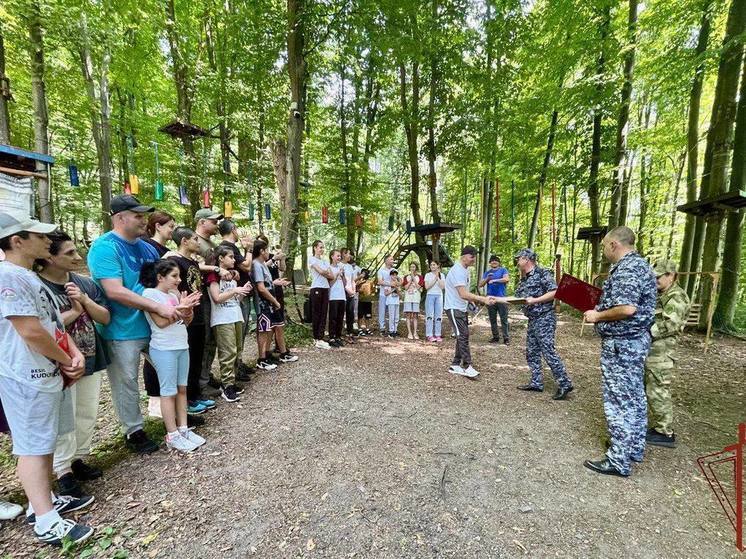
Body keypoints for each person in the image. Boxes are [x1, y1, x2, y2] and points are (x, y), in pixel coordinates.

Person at [0, 210, 94, 546]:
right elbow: (29, 331)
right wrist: (67, 358)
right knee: (32, 447)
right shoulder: (9, 276)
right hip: (26, 375)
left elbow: (52, 325)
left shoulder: (27, 276)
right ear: (17, 241)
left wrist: (72, 352)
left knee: (43, 443)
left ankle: (44, 502)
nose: (46, 241)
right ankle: (44, 519)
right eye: (38, 236)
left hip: (46, 371)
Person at [87, 195, 180, 454]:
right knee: (126, 381)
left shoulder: (147, 248)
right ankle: (134, 430)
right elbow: (114, 291)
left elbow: (160, 283)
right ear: (120, 218)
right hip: (121, 328)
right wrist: (157, 306)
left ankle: (174, 419)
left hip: (154, 325)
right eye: (138, 216)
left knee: (169, 369)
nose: (144, 221)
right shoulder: (105, 247)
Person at [36, 232, 111, 499]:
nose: (77, 257)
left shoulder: (84, 283)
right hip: (57, 361)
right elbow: (41, 328)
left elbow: (105, 317)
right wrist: (75, 312)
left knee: (86, 410)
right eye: (69, 253)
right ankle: (62, 470)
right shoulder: (37, 286)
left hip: (90, 354)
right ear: (48, 257)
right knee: (64, 417)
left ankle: (79, 458)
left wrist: (85, 301)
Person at [583, 226, 657, 478]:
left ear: (614, 244)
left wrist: (597, 315)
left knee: (620, 400)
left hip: (623, 344)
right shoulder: (641, 266)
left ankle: (618, 459)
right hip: (634, 341)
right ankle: (631, 447)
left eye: (604, 246)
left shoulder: (627, 269)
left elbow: (626, 308)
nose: (604, 251)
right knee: (634, 397)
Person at [140, 261, 204, 452]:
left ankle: (183, 429)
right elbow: (160, 322)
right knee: (168, 392)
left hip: (181, 345)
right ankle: (172, 434)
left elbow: (185, 321)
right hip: (163, 348)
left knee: (182, 389)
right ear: (160, 277)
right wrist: (181, 308)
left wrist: (188, 310)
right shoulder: (149, 295)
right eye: (174, 276)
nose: (179, 280)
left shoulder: (174, 295)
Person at [168, 227, 216, 416]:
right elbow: (173, 286)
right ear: (184, 241)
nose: (198, 242)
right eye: (195, 239)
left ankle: (195, 394)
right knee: (187, 357)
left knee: (197, 354)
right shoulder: (174, 261)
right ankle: (186, 399)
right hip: (186, 314)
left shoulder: (193, 262)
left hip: (199, 311)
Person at [513, 249, 573, 400]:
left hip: (544, 318)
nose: (517, 261)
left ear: (527, 259)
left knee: (548, 351)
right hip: (533, 319)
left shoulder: (542, 273)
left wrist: (535, 300)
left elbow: (555, 292)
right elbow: (519, 298)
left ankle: (565, 383)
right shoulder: (524, 279)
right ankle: (536, 382)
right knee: (532, 351)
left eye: (519, 258)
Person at [645, 260, 690, 449]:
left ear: (671, 275)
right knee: (651, 389)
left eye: (658, 277)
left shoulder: (677, 297)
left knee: (658, 391)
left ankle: (664, 432)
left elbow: (671, 324)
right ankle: (657, 427)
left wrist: (646, 331)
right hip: (653, 352)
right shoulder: (661, 294)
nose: (655, 280)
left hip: (662, 354)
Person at [206, 246, 253, 402]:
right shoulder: (213, 275)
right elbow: (217, 298)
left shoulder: (232, 276)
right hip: (222, 318)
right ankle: (227, 386)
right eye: (231, 257)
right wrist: (235, 291)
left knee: (237, 350)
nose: (234, 260)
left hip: (235, 315)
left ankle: (231, 382)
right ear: (221, 258)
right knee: (228, 352)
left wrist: (242, 291)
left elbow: (233, 300)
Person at [444, 246, 499, 378]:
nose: (474, 259)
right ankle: (467, 366)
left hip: (461, 307)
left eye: (475, 257)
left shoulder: (465, 270)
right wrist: (482, 299)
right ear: (464, 256)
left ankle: (455, 364)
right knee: (462, 335)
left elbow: (466, 293)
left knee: (462, 335)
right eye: (472, 256)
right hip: (453, 307)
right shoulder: (457, 271)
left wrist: (472, 302)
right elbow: (462, 293)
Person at [252, 240, 298, 366]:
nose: (269, 253)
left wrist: (275, 283)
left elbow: (267, 282)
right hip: (264, 303)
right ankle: (262, 360)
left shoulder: (262, 265)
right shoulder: (256, 264)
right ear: (262, 251)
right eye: (267, 250)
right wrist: (274, 301)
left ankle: (280, 354)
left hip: (271, 302)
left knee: (274, 327)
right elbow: (261, 287)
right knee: (264, 330)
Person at [218, 220, 254, 380]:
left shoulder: (231, 247)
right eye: (237, 228)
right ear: (233, 229)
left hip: (239, 293)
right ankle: (235, 369)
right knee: (238, 333)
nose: (233, 259)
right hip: (234, 295)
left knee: (242, 331)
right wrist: (249, 249)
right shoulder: (228, 246)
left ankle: (238, 364)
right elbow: (246, 266)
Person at [308, 240, 334, 349]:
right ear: (315, 248)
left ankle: (320, 337)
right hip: (316, 288)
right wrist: (325, 272)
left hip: (325, 288)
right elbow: (322, 272)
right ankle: (316, 337)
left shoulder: (325, 261)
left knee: (324, 313)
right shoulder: (312, 259)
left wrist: (326, 272)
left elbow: (331, 275)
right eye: (320, 247)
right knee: (316, 313)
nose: (322, 249)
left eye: (323, 247)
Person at [479, 255, 510, 344]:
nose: (494, 262)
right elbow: (480, 284)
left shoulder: (503, 270)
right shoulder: (487, 272)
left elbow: (506, 279)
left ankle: (506, 338)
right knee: (492, 319)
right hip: (490, 298)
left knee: (504, 319)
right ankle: (495, 337)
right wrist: (488, 278)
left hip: (501, 298)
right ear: (490, 263)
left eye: (496, 261)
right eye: (492, 261)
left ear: (498, 262)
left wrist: (495, 280)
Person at [327, 249, 346, 347]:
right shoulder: (329, 268)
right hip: (333, 296)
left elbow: (345, 283)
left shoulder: (341, 268)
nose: (339, 258)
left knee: (340, 317)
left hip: (342, 296)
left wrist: (342, 275)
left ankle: (338, 336)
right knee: (333, 317)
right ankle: (332, 337)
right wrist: (337, 273)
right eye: (337, 256)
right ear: (332, 256)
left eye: (340, 256)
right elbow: (330, 283)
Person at [424, 261, 445, 342]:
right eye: (431, 265)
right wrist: (434, 279)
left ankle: (438, 334)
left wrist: (438, 277)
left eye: (434, 265)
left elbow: (442, 287)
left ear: (438, 266)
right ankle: (429, 335)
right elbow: (427, 287)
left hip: (439, 296)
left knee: (438, 316)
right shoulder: (428, 275)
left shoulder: (442, 275)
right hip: (430, 296)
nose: (432, 266)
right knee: (429, 316)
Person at [402, 263, 424, 339]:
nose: (412, 268)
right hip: (408, 298)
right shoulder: (406, 277)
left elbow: (419, 287)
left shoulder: (420, 277)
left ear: (416, 268)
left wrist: (413, 278)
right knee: (408, 315)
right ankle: (409, 333)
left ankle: (415, 333)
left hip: (416, 298)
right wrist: (410, 278)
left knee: (415, 315)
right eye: (411, 266)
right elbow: (405, 288)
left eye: (413, 267)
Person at [341, 248, 358, 339]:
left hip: (351, 291)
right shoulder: (339, 265)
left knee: (350, 312)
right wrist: (348, 290)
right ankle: (339, 332)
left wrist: (353, 290)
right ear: (343, 254)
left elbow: (352, 280)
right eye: (348, 254)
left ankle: (350, 331)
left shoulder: (350, 266)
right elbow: (342, 280)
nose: (350, 256)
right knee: (340, 312)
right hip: (342, 291)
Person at [376, 255, 395, 334]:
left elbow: (397, 281)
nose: (393, 261)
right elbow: (380, 282)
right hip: (383, 294)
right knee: (382, 311)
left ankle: (392, 328)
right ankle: (382, 328)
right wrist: (390, 284)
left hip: (392, 294)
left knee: (392, 312)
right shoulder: (381, 271)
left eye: (393, 259)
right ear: (386, 261)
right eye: (391, 259)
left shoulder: (395, 270)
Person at [355, 269, 374, 336]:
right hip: (361, 300)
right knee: (360, 316)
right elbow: (356, 289)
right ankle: (360, 329)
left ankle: (367, 329)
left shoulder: (370, 282)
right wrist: (360, 289)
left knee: (368, 316)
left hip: (368, 301)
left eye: (366, 273)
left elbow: (372, 290)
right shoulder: (359, 281)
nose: (365, 274)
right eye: (363, 273)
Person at [385, 269, 401, 337]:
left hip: (396, 302)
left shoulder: (398, 283)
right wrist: (392, 290)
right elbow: (385, 293)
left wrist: (397, 288)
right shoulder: (387, 283)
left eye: (395, 275)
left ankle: (395, 330)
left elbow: (400, 295)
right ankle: (391, 330)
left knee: (396, 316)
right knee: (392, 316)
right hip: (390, 301)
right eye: (393, 275)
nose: (394, 276)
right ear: (390, 275)